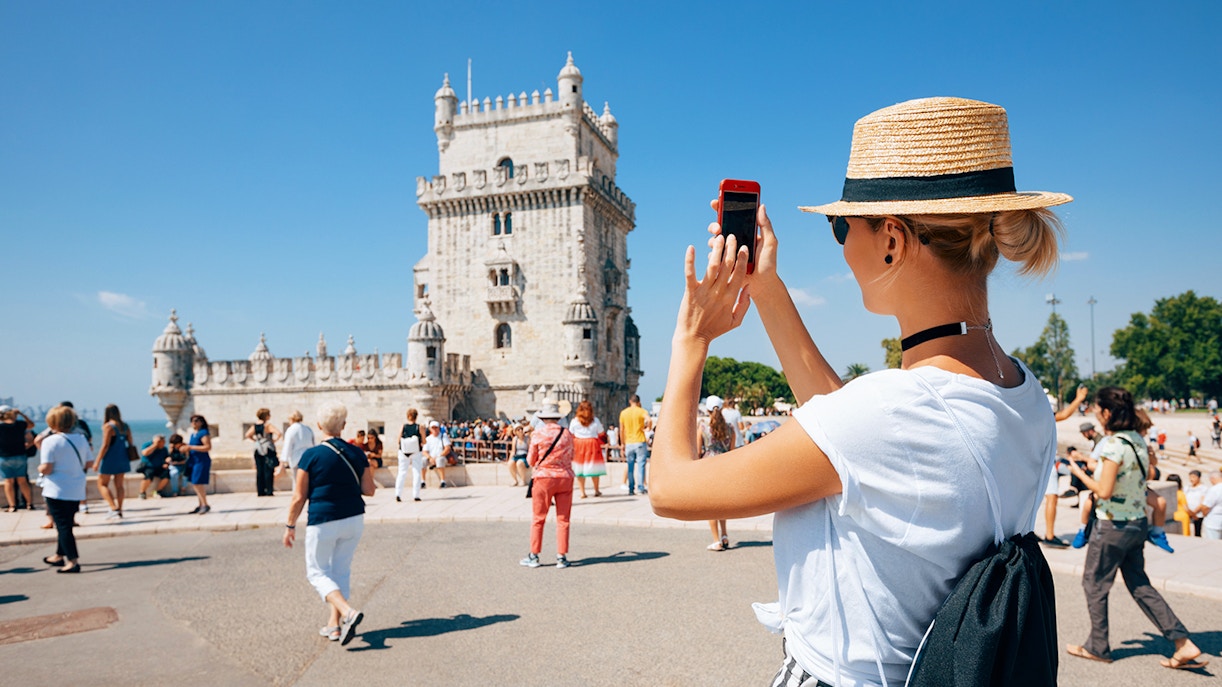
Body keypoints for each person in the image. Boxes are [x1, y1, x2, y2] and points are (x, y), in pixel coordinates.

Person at [648, 97, 1069, 684]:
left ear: (892, 240)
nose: (841, 245)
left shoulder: (889, 413)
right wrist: (767, 290)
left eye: (841, 226)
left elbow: (670, 487)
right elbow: (848, 429)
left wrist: (689, 341)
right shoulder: (1021, 392)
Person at [1064, 387, 1204, 669]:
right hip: (1137, 524)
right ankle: (1182, 643)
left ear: (1106, 412)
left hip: (1112, 525)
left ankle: (1098, 646)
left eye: (1096, 408)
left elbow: (1103, 491)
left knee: (1094, 583)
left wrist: (1078, 473)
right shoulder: (1137, 440)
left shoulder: (1114, 444)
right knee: (1139, 584)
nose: (1093, 412)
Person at [283, 400, 374, 646]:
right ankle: (334, 626)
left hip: (323, 521)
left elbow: (299, 497)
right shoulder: (357, 452)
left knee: (317, 573)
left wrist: (290, 525)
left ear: (319, 425)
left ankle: (348, 612)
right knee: (340, 571)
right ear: (344, 425)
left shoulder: (310, 456)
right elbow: (369, 490)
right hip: (354, 519)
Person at [520, 399, 574, 569]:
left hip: (544, 478)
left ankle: (534, 556)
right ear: (557, 417)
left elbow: (530, 461)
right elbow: (571, 456)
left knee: (538, 518)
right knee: (563, 519)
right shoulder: (567, 434)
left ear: (542, 418)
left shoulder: (538, 434)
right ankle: (561, 557)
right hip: (565, 477)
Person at [38, 406, 92, 573]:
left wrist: (40, 469)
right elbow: (89, 463)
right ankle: (59, 555)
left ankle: (73, 561)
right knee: (66, 522)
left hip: (57, 489)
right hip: (76, 488)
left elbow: (47, 468)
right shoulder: (81, 439)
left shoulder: (50, 441)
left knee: (63, 526)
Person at [699, 396, 732, 551]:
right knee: (721, 504)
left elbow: (698, 450)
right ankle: (725, 536)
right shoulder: (730, 428)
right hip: (725, 467)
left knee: (710, 506)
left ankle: (716, 540)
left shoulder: (703, 426)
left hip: (708, 467)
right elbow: (732, 452)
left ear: (707, 409)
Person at [94, 404, 134, 520]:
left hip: (110, 458)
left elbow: (105, 445)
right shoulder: (125, 426)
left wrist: (97, 461)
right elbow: (130, 442)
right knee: (119, 485)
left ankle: (113, 507)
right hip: (122, 457)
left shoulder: (108, 426)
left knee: (102, 484)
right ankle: (120, 509)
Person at [0, 405, 36, 512]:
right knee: (23, 481)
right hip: (20, 455)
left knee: (8, 482)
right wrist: (21, 414)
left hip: (4, 457)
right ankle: (29, 504)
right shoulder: (20, 425)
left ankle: (12, 506)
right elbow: (32, 425)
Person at [570, 400, 606, 498]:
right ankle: (596, 490)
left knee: (579, 468)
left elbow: (571, 433)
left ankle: (582, 492)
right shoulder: (595, 420)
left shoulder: (575, 421)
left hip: (579, 444)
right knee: (594, 468)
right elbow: (601, 432)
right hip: (592, 444)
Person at [245, 408, 282, 497]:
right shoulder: (267, 425)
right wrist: (273, 440)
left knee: (259, 470)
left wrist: (255, 440)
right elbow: (279, 433)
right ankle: (269, 490)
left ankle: (260, 490)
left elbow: (247, 435)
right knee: (268, 469)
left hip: (258, 448)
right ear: (266, 416)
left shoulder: (254, 426)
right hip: (267, 448)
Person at [618, 395, 651, 496]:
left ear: (630, 401)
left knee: (630, 465)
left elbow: (622, 430)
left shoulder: (624, 413)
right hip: (640, 440)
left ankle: (631, 488)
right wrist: (647, 429)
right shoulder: (641, 411)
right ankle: (640, 487)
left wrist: (622, 443)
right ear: (638, 402)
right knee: (641, 465)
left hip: (629, 442)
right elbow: (649, 420)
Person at [185, 415, 212, 514]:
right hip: (193, 460)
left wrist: (191, 447)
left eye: (196, 421)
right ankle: (201, 504)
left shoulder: (204, 433)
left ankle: (205, 504)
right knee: (195, 482)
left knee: (197, 482)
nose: (194, 423)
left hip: (201, 461)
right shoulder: (193, 434)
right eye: (192, 421)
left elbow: (207, 447)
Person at [395, 409, 423, 502]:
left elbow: (398, 440)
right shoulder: (419, 427)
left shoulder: (403, 426)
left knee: (401, 472)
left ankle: (398, 494)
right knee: (416, 472)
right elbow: (424, 441)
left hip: (403, 452)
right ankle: (416, 495)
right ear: (416, 416)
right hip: (416, 452)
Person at [283, 410, 316, 478]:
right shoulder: (308, 429)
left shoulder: (291, 429)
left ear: (291, 419)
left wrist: (283, 461)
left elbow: (287, 446)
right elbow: (313, 444)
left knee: (297, 482)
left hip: (296, 459)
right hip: (308, 458)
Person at [423, 421, 452, 488]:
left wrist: (438, 456)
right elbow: (424, 451)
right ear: (430, 429)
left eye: (436, 428)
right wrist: (430, 458)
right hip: (431, 458)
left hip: (441, 456)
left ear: (439, 428)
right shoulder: (428, 439)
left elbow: (447, 449)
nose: (435, 429)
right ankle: (423, 481)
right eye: (433, 428)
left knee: (439, 460)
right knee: (422, 461)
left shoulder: (443, 436)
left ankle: (443, 481)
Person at [1197, 471, 1222, 540]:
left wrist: (1204, 514)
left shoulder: (1214, 489)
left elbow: (1206, 506)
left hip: (1213, 521)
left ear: (1212, 478)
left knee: (1213, 544)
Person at [507, 418, 530, 487]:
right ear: (516, 432)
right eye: (518, 429)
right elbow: (513, 451)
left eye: (521, 429)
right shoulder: (515, 439)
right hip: (517, 455)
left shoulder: (527, 438)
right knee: (510, 463)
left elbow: (529, 450)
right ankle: (515, 480)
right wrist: (509, 459)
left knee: (519, 463)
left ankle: (523, 480)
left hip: (524, 456)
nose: (520, 430)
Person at [1184, 470, 1207, 536]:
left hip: (1198, 514)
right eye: (1190, 477)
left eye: (1193, 477)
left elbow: (1202, 502)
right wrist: (1190, 512)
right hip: (1188, 513)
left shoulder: (1203, 488)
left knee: (1197, 532)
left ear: (1198, 478)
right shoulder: (1187, 488)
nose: (1191, 479)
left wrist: (1194, 513)